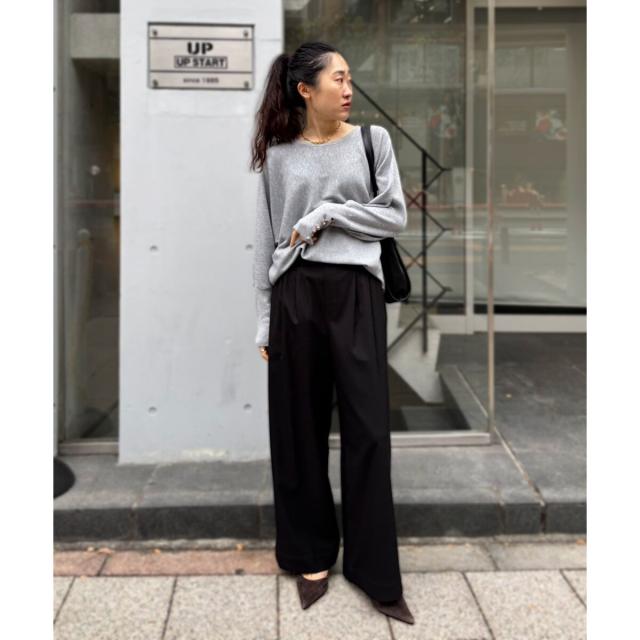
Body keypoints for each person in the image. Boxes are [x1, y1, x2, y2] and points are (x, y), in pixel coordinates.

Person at [249, 41, 414, 625]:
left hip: (356, 293)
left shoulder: (372, 141)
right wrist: (266, 320)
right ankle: (310, 555)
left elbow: (394, 215)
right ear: (305, 89)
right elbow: (267, 241)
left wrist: (329, 213)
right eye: (337, 79)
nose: (348, 88)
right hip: (295, 296)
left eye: (349, 78)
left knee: (369, 430)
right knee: (298, 430)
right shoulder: (278, 157)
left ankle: (374, 570)